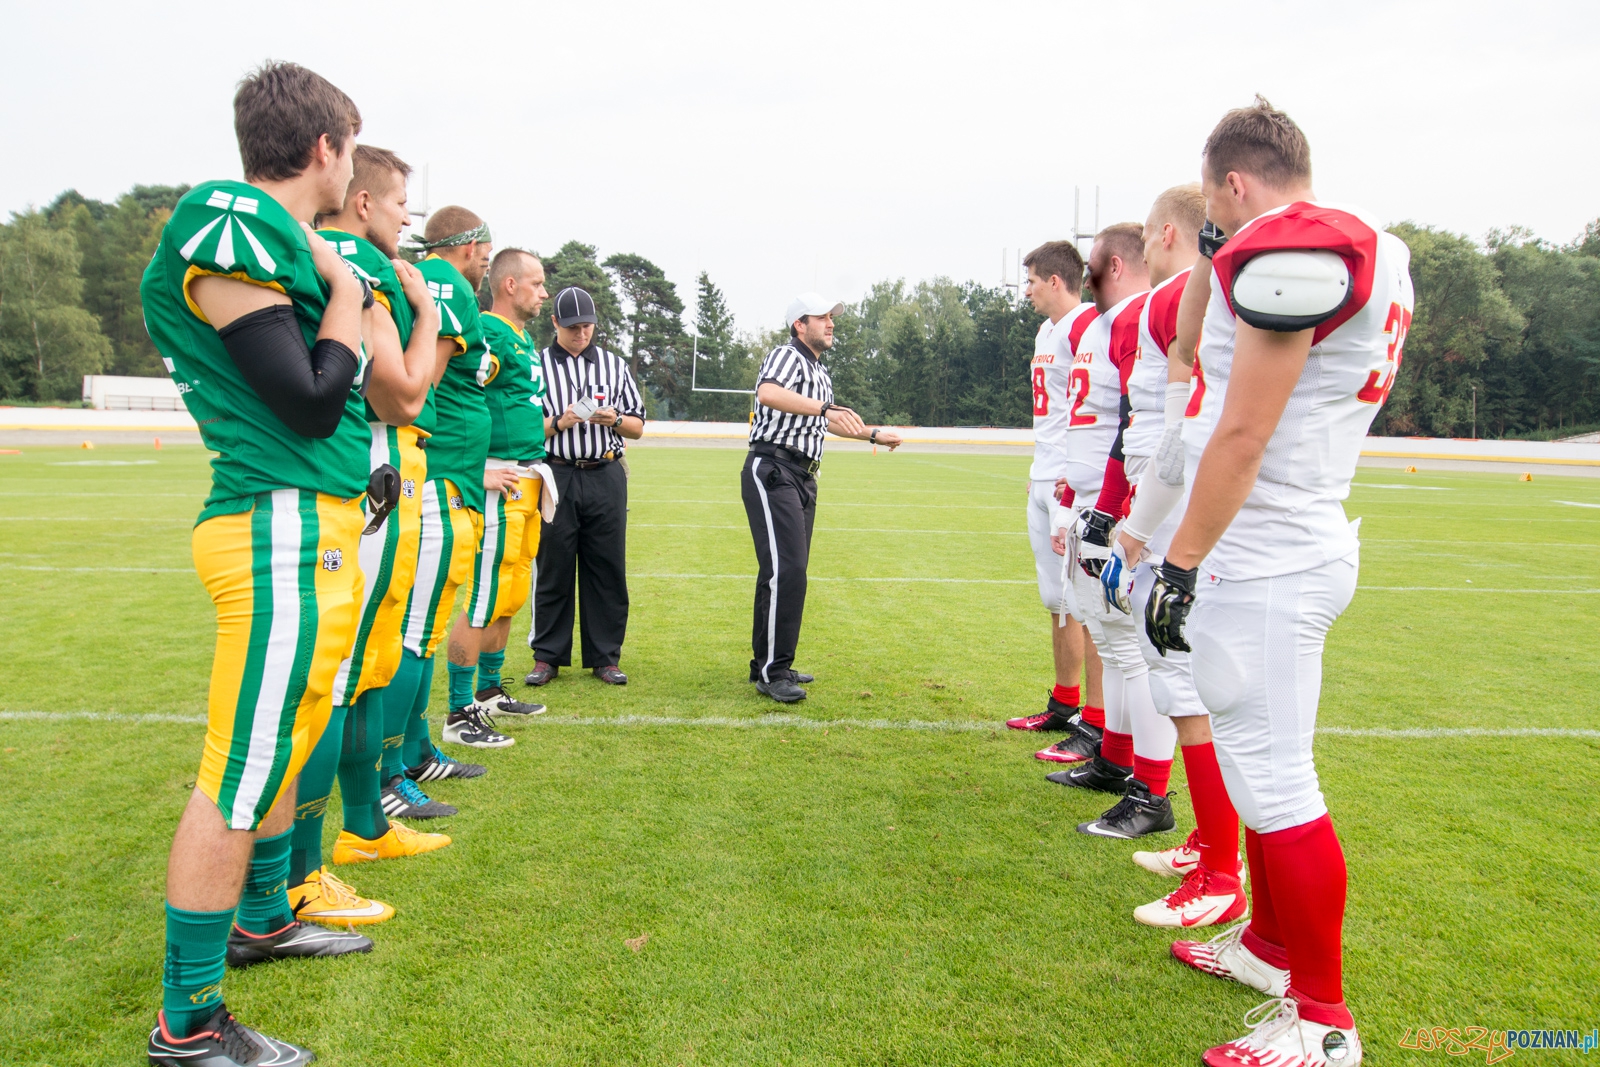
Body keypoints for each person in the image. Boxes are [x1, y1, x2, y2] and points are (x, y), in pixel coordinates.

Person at [1147, 97, 1412, 1066]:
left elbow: (1244, 430)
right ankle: (1267, 946)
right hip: (1295, 537)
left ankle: (1324, 1019)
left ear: (1235, 181)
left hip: (1267, 550)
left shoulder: (1296, 242)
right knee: (1266, 768)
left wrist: (1177, 560)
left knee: (1276, 777)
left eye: (1220, 202)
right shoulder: (1381, 247)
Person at [140, 61, 384, 1066]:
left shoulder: (281, 237)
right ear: (324, 149)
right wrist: (342, 288)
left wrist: (339, 282)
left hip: (312, 525)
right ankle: (188, 1020)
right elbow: (312, 396)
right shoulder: (230, 218)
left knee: (280, 745)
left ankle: (261, 918)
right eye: (351, 151)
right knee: (238, 771)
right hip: (272, 525)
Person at [281, 144, 456, 929]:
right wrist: (425, 317)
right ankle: (310, 865)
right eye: (397, 206)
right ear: (359, 202)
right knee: (345, 671)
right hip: (372, 471)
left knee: (355, 667)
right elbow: (407, 393)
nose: (403, 221)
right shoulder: (358, 263)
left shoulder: (320, 252)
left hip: (363, 475)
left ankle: (356, 828)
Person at [1096, 188, 1248, 928]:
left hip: (1185, 512)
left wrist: (1133, 527)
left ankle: (1222, 865)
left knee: (1185, 684)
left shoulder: (1178, 299)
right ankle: (1212, 844)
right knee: (1182, 683)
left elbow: (1179, 434)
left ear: (1167, 234)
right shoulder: (1195, 296)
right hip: (1184, 503)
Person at [386, 204, 521, 772]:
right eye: (484, 256)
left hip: (449, 476)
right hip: (440, 478)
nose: (483, 266)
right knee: (416, 631)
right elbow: (425, 385)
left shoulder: (439, 283)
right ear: (468, 247)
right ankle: (398, 766)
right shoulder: (447, 284)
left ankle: (414, 753)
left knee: (425, 627)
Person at [1036, 225, 1155, 808]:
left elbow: (1137, 423)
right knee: (1109, 636)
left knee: (1137, 652)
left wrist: (1114, 508)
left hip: (1125, 502)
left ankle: (1138, 780)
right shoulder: (1100, 325)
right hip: (1091, 495)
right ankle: (1113, 757)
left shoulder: (1132, 318)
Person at [742, 293, 904, 702]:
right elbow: (768, 393)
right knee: (789, 570)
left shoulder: (819, 372)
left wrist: (871, 434)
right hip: (774, 468)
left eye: (832, 317)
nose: (831, 323)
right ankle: (773, 671)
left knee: (780, 571)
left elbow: (827, 421)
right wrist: (824, 408)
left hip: (802, 476)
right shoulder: (786, 356)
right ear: (799, 324)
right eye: (822, 317)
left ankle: (768, 660)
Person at [442, 248, 552, 728]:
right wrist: (476, 467)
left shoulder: (520, 337)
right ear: (509, 284)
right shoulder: (487, 332)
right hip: (499, 477)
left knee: (510, 593)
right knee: (485, 595)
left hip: (528, 474)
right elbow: (456, 394)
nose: (544, 293)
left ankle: (487, 691)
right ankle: (460, 706)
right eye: (537, 283)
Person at [1003, 242, 1102, 739]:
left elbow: (1099, 408)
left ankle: (1101, 723)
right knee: (1057, 598)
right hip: (1046, 474)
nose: (1027, 292)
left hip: (1073, 480)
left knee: (1093, 607)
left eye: (1033, 282)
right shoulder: (1048, 330)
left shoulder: (1089, 326)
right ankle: (1065, 703)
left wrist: (1073, 473)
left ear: (1057, 281)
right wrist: (1042, 469)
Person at [525, 287, 646, 686]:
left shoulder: (614, 365)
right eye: (574, 327)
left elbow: (638, 426)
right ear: (555, 323)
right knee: (554, 563)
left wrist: (612, 420)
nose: (582, 334)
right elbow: (526, 428)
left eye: (588, 326)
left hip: (605, 471)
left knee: (607, 565)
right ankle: (547, 657)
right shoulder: (536, 365)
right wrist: (560, 422)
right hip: (556, 471)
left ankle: (605, 657)